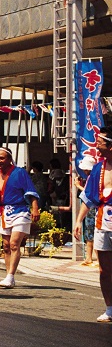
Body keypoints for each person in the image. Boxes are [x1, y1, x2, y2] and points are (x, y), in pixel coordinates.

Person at [0, 146, 40, 289]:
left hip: (20, 211)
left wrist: (35, 208)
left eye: (2, 158)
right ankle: (9, 277)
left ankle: (10, 276)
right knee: (6, 247)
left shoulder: (20, 173)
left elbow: (31, 191)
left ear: (9, 159)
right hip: (5, 212)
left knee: (14, 244)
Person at [74, 126, 112, 322]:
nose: (97, 146)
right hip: (102, 222)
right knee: (104, 270)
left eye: (100, 143)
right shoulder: (98, 169)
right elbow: (88, 197)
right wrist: (78, 221)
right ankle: (109, 308)